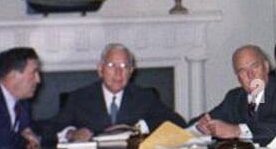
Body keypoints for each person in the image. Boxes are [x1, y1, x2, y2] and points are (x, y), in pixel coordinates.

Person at [55, 43, 183, 142]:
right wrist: (71, 133)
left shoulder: (145, 97)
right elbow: (50, 129)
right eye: (111, 66)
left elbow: (178, 122)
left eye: (124, 66)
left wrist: (138, 128)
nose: (118, 73)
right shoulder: (79, 98)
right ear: (100, 69)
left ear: (131, 71)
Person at [195, 45, 276, 144]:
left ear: (266, 67)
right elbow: (208, 117)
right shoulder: (234, 97)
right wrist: (202, 124)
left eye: (254, 66)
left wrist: (237, 130)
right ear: (238, 77)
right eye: (242, 70)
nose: (250, 75)